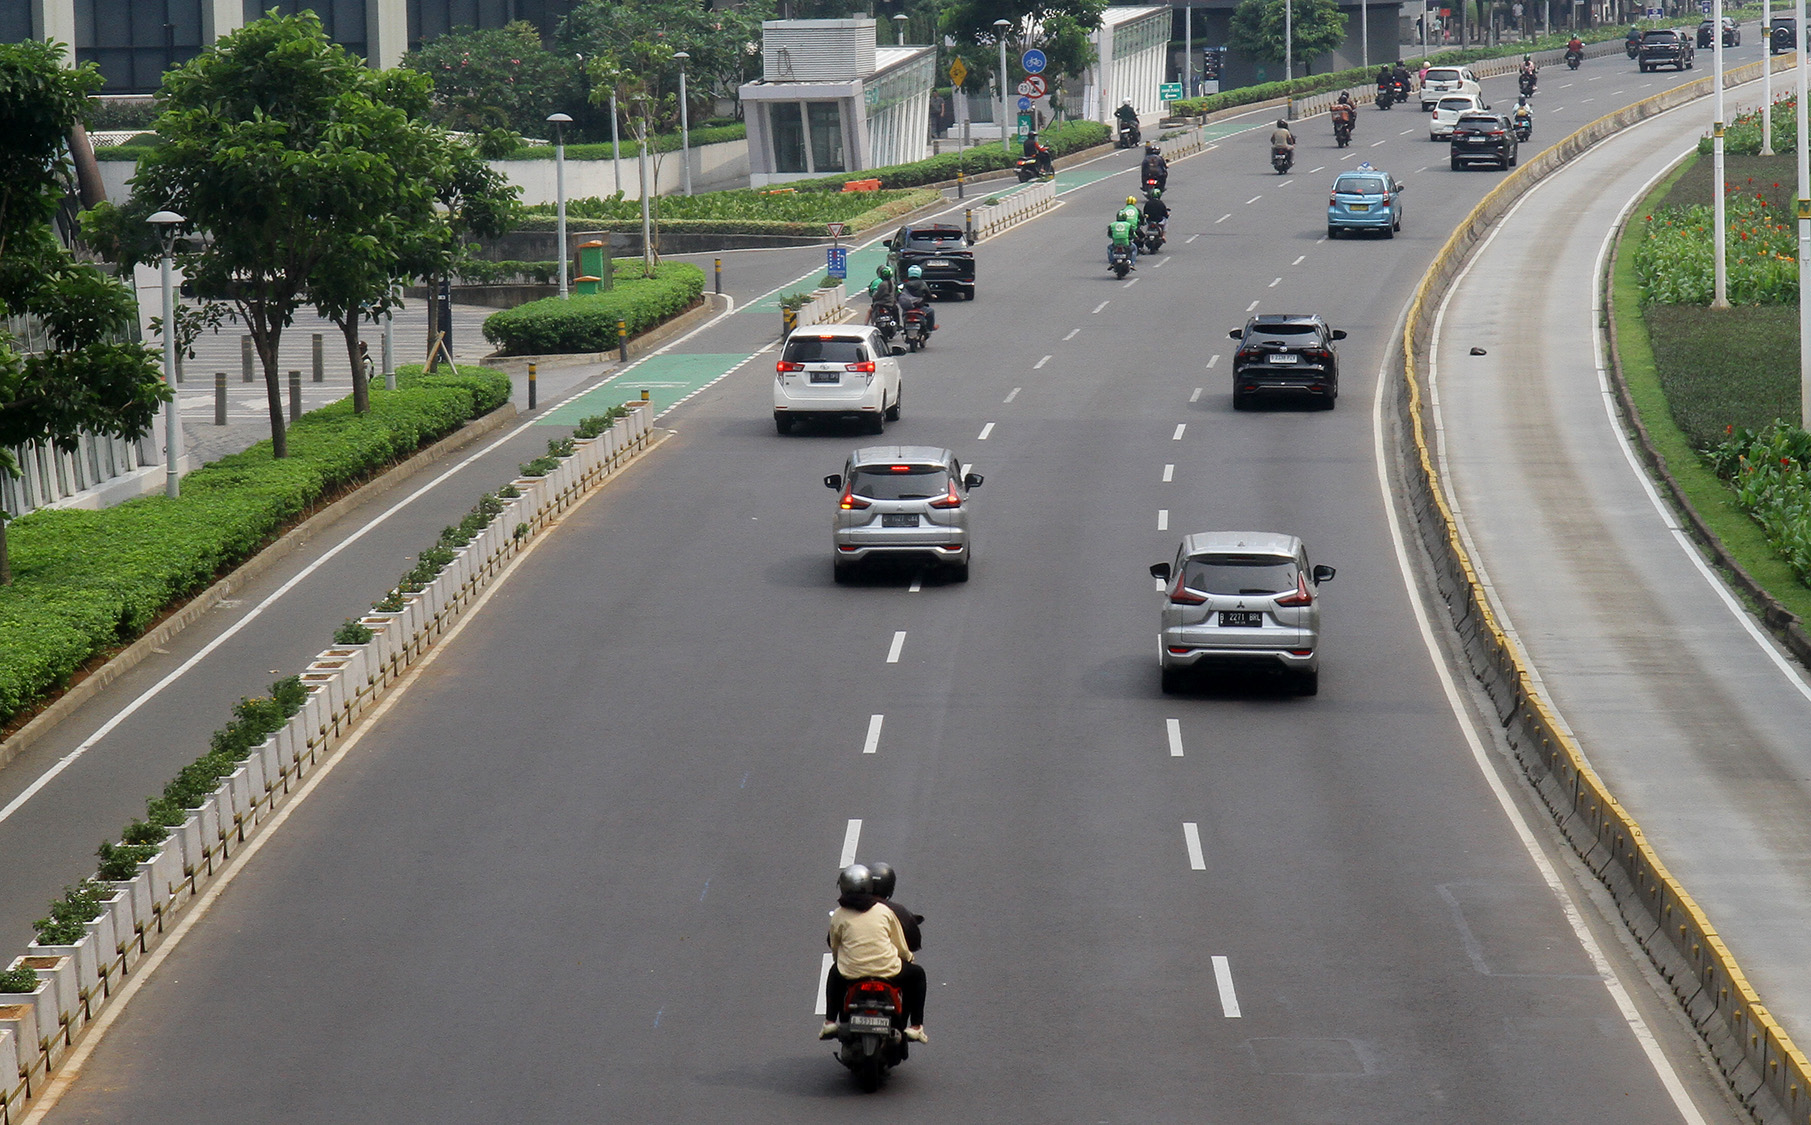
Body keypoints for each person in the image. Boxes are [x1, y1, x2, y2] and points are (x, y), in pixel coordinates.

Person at [821, 864, 927, 1042]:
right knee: (918, 975)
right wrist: (909, 959)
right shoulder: (884, 911)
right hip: (888, 970)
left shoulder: (839, 914)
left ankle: (830, 1022)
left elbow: (835, 946)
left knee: (833, 973)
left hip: (851, 973)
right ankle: (916, 1026)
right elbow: (900, 946)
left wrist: (842, 962)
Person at [900, 265, 935, 334]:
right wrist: (932, 297)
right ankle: (929, 329)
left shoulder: (905, 284)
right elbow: (928, 294)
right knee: (931, 311)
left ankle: (905, 329)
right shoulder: (922, 283)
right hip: (919, 307)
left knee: (904, 313)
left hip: (908, 308)